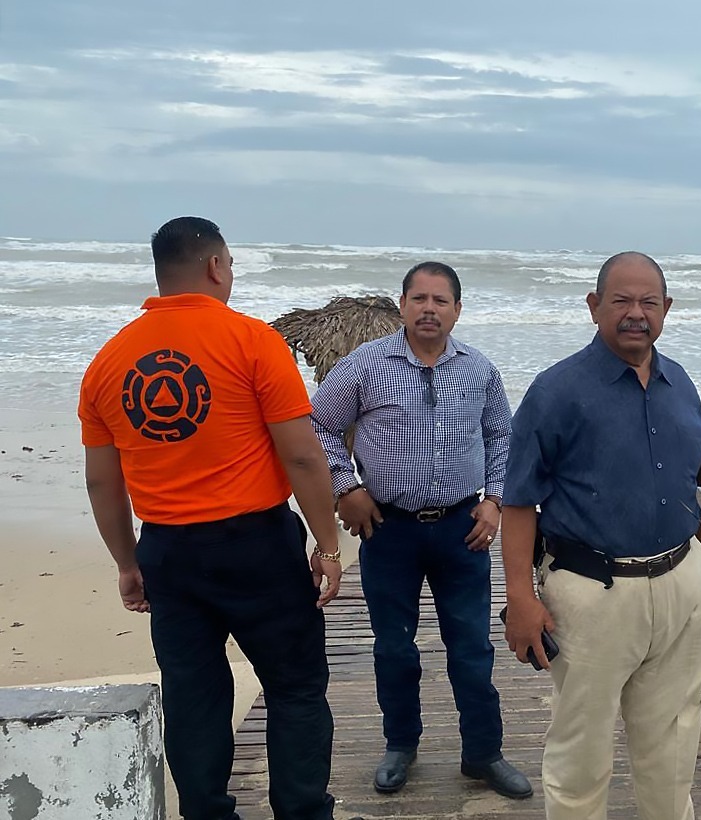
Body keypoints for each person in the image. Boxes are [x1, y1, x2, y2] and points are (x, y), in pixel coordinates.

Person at [78, 216, 343, 820]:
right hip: (257, 546)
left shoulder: (108, 361)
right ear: (217, 266)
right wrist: (326, 546)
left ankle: (205, 811)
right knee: (295, 687)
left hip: (168, 551)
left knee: (195, 697)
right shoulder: (253, 341)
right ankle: (302, 811)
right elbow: (301, 454)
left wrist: (128, 561)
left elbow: (101, 480)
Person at [501, 251, 701, 820]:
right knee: (581, 751)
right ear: (595, 307)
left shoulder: (679, 380)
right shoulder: (555, 391)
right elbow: (518, 501)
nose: (635, 313)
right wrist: (520, 596)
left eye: (648, 302)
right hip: (592, 592)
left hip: (683, 579)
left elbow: (697, 459)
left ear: (666, 309)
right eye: (621, 300)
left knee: (673, 740)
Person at [309, 261, 531, 799]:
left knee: (472, 650)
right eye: (420, 299)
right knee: (393, 649)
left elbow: (503, 437)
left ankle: (483, 753)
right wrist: (346, 486)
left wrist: (495, 501)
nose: (429, 309)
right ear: (402, 304)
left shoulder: (479, 370)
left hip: (463, 530)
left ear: (458, 309)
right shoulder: (365, 364)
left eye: (441, 300)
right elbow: (317, 424)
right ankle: (400, 745)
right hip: (388, 530)